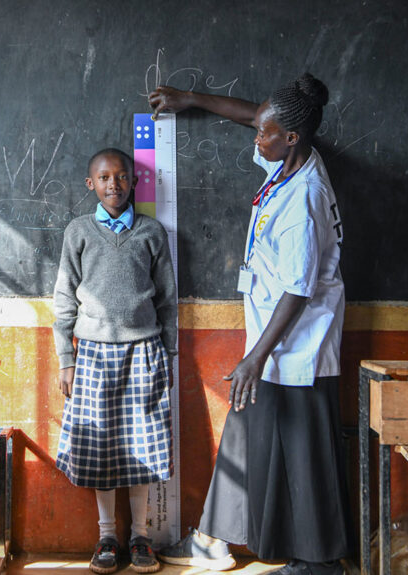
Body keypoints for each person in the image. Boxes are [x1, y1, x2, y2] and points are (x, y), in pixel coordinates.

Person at [148, 73, 348, 575]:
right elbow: (253, 115)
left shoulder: (303, 199)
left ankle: (319, 563)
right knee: (246, 433)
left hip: (298, 348)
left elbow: (298, 289)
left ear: (292, 137)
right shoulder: (288, 161)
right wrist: (191, 99)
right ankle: (215, 540)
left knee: (303, 453)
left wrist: (254, 358)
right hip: (272, 345)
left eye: (264, 134)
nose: (255, 139)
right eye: (259, 129)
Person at [52, 148, 178, 574]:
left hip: (144, 351)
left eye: (122, 177)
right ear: (91, 184)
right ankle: (107, 535)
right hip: (92, 356)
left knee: (141, 447)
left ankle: (140, 537)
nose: (114, 185)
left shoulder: (151, 233)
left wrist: (170, 355)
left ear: (133, 182)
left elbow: (168, 301)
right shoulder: (78, 232)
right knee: (101, 449)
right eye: (104, 178)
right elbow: (64, 299)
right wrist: (66, 359)